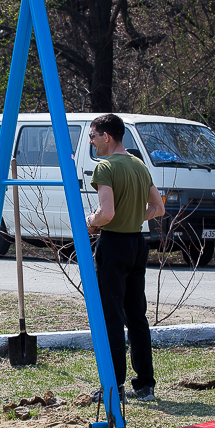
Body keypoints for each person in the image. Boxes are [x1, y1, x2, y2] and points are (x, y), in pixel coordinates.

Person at [85, 114, 165, 402]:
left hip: (114, 246)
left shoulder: (105, 167)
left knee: (112, 317)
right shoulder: (139, 165)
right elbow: (158, 208)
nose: (91, 141)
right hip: (137, 244)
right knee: (136, 316)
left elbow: (106, 214)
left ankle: (114, 385)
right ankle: (145, 384)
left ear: (107, 136)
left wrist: (89, 221)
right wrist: (133, 216)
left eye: (93, 135)